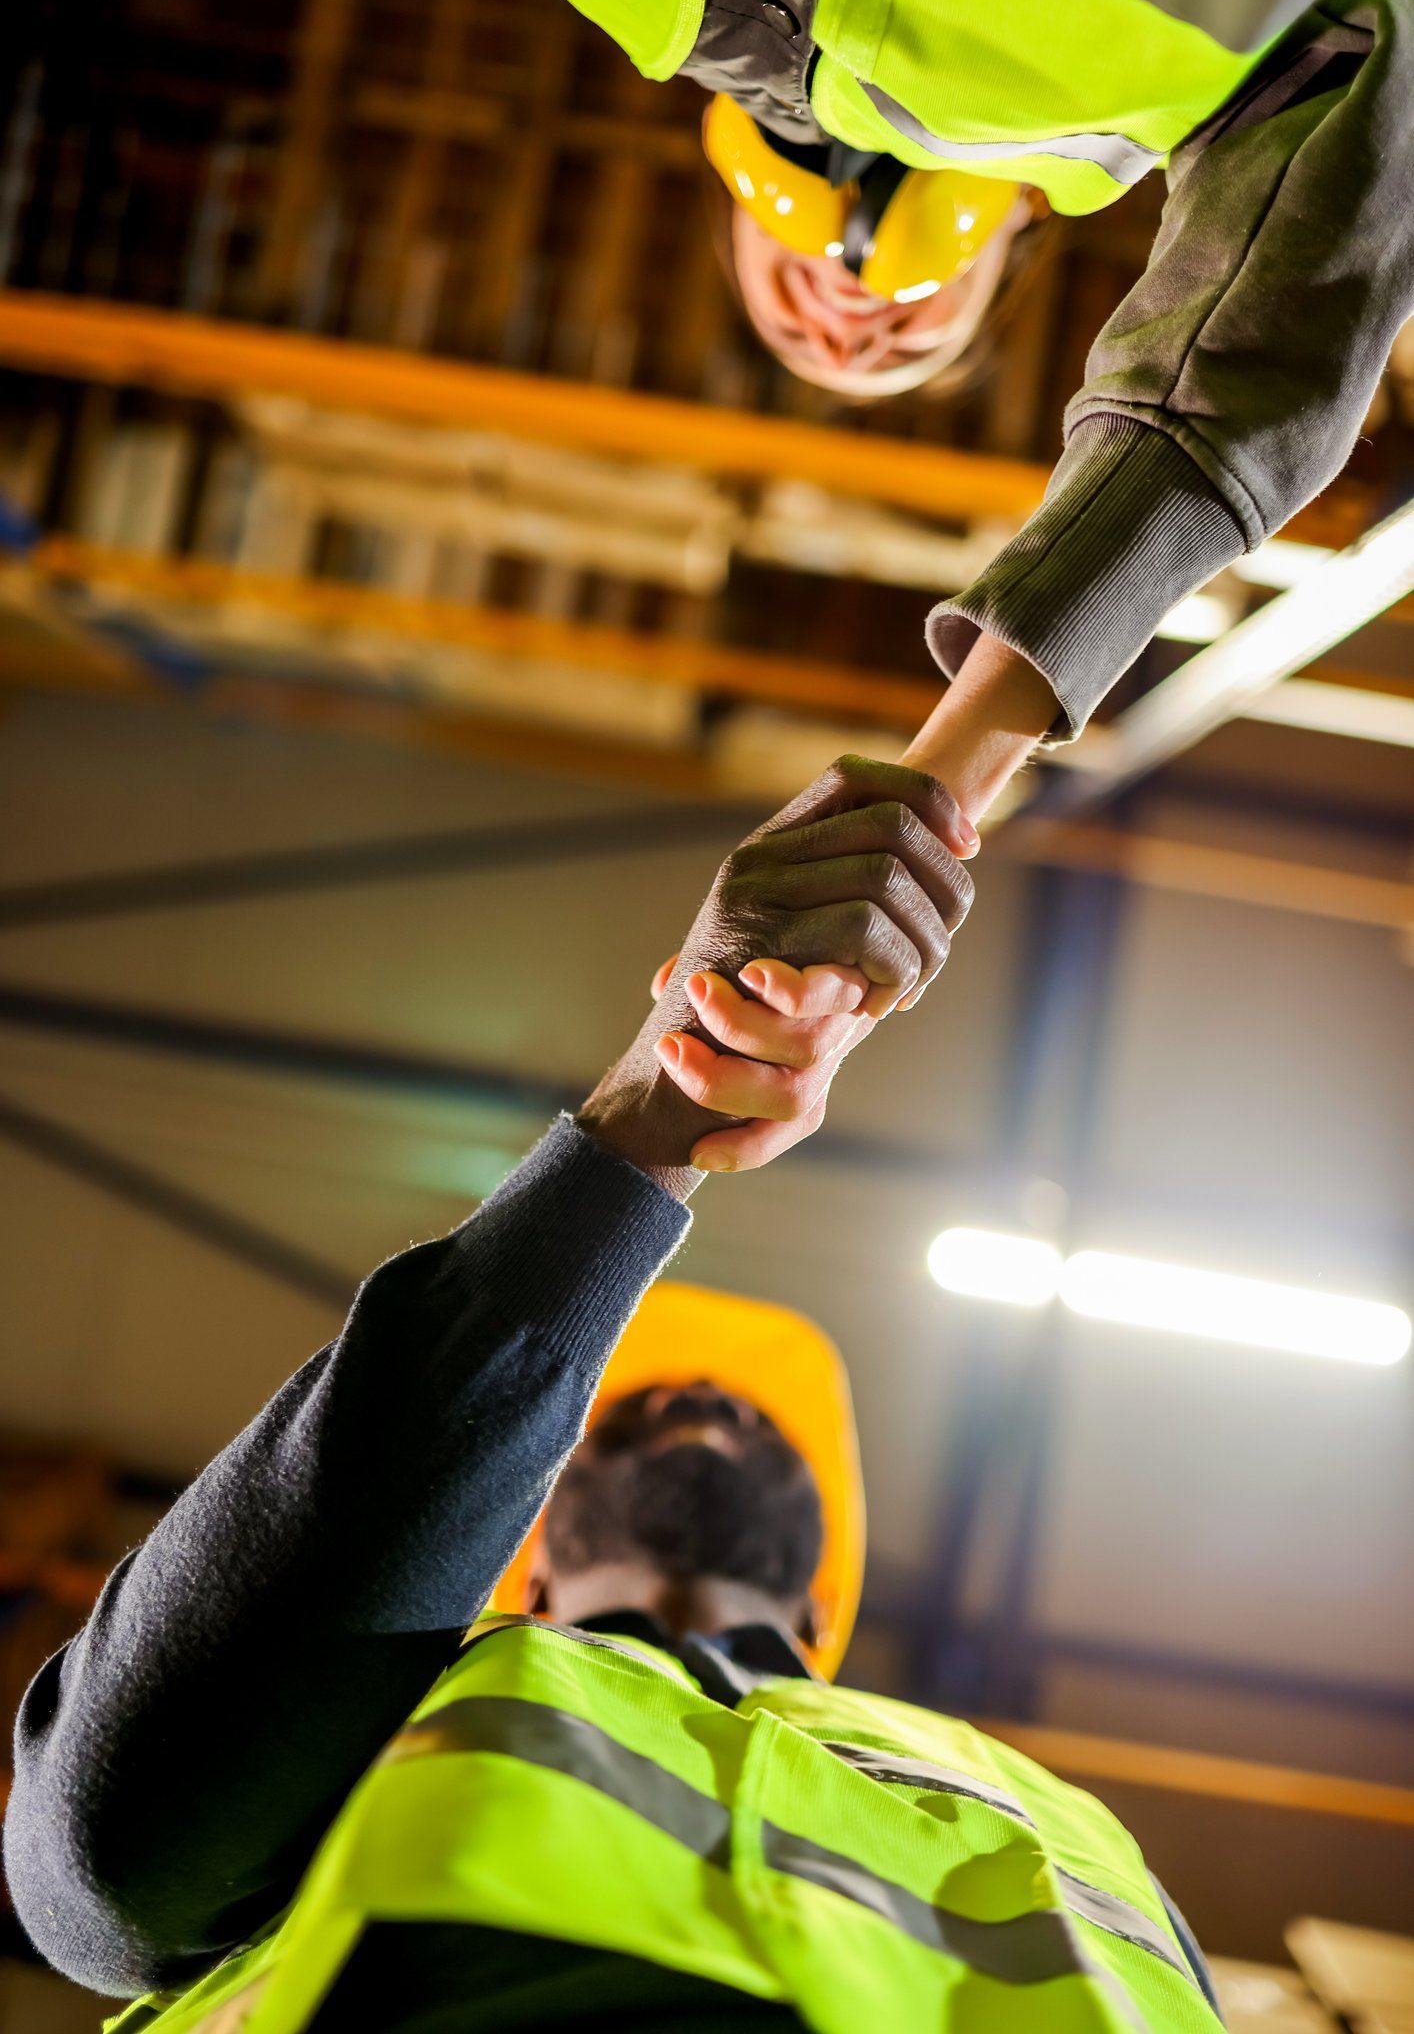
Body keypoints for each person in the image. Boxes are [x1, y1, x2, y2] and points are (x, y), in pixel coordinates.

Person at [5, 761, 1221, 2034]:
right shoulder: (382, 1707)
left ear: (822, 1603)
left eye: (742, 1422)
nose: (710, 1408)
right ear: (516, 1576)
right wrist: (656, 1113)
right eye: (626, 1418)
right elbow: (109, 1863)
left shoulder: (1065, 1816)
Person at [492, 0, 1414, 755]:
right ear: (1019, 223)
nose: (848, 336)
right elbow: (1274, 324)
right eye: (908, 342)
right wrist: (949, 776)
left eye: (798, 332)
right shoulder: (1174, 110)